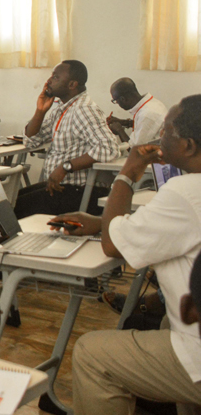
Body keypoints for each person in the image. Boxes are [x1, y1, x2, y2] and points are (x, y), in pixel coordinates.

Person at [52, 96, 201, 414]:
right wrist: (101, 223)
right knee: (164, 323)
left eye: (166, 131)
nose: (158, 137)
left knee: (93, 355)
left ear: (187, 146)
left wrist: (129, 172)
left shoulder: (185, 192)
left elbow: (112, 247)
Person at [15, 60, 120, 217]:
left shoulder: (83, 110)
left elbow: (109, 148)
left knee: (14, 208)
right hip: (64, 187)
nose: (48, 81)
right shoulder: (64, 108)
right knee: (12, 200)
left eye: (55, 77)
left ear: (72, 85)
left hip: (81, 192)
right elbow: (31, 141)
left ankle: (18, 241)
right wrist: (40, 111)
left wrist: (65, 167)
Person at [107, 77, 168, 146]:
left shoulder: (147, 114)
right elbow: (143, 124)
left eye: (115, 101)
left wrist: (119, 130)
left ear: (123, 99)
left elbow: (135, 149)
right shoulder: (152, 103)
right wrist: (124, 122)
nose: (117, 103)